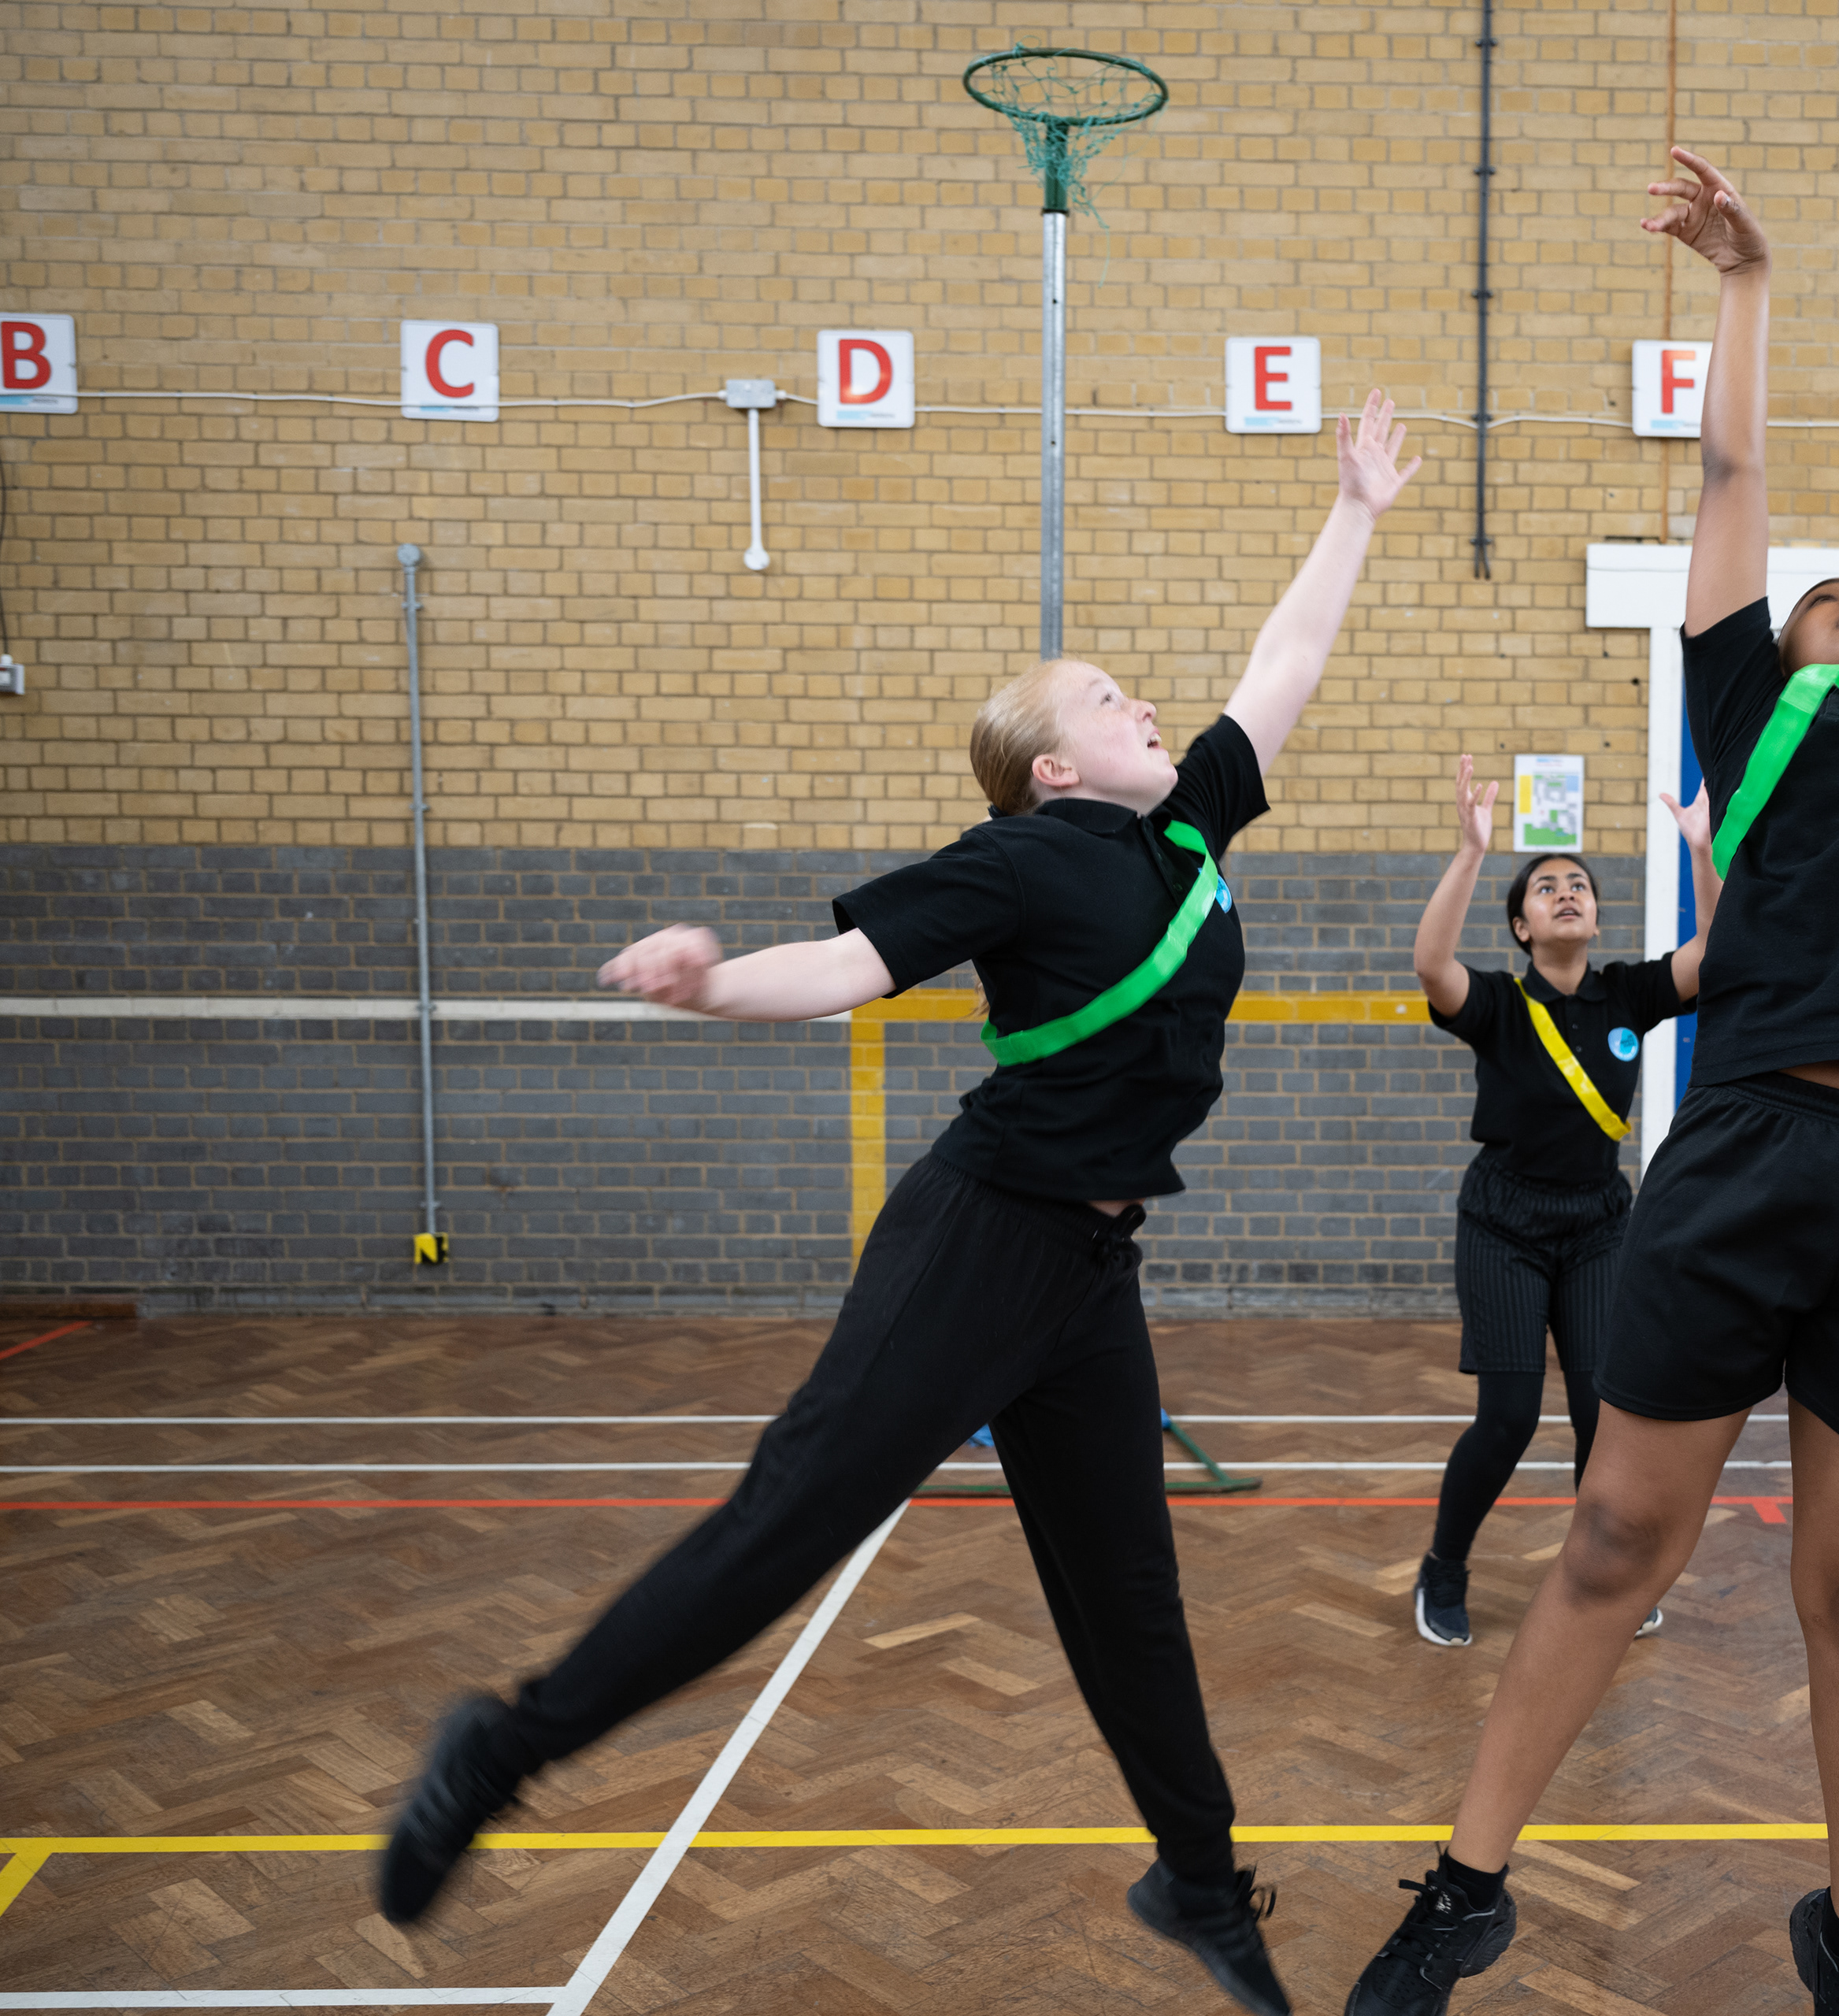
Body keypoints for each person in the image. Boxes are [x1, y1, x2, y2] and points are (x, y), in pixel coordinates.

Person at [373, 392, 1424, 2016]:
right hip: (983, 1235)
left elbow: (1284, 660)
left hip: (1091, 1271)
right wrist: (714, 981)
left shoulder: (1191, 828)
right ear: (1053, 765)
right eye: (1110, 698)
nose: (1147, 702)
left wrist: (1353, 510)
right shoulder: (1018, 857)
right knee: (789, 1522)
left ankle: (1201, 1882)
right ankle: (501, 1747)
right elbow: (849, 966)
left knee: (1130, 1599)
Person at [1348, 13, 1839, 2012]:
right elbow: (1733, 468)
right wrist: (1747, 284)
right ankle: (1467, 1888)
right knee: (1609, 1539)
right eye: (1830, 592)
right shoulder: (1743, 702)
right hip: (1748, 1146)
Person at [1405, 756, 1721, 1647]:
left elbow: (1713, 956)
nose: (1567, 893)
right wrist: (1472, 852)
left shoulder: (1626, 993)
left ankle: (1606, 1575)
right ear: (1522, 926)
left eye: (1578, 884)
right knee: (1507, 1418)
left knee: (1601, 1418)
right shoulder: (1499, 1004)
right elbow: (1430, 962)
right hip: (1502, 1223)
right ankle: (1443, 1568)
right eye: (1546, 888)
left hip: (1597, 1227)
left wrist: (1702, 854)